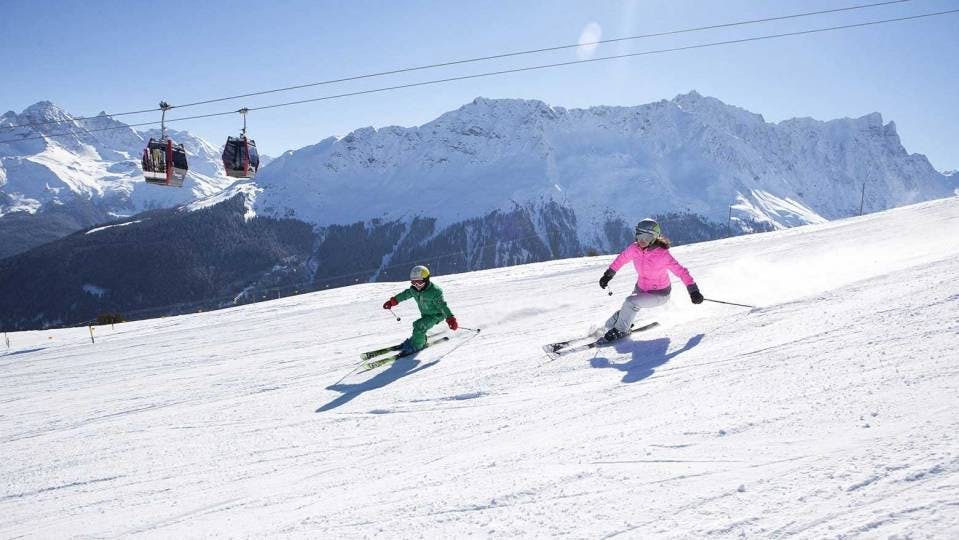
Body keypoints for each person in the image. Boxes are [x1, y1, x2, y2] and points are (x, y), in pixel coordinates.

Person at [598, 218, 703, 341]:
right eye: (639, 235)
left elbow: (682, 272)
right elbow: (621, 259)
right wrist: (608, 275)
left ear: (654, 237)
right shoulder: (634, 249)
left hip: (659, 294)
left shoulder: (663, 255)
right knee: (624, 311)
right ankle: (610, 326)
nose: (642, 240)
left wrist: (694, 291)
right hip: (641, 288)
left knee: (630, 303)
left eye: (647, 237)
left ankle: (621, 330)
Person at [382, 265, 458, 355]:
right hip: (425, 314)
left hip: (436, 315)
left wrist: (450, 319)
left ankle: (417, 345)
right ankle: (416, 339)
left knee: (419, 326)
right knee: (418, 325)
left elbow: (443, 306)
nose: (417, 286)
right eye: (414, 283)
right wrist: (392, 302)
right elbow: (405, 295)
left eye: (419, 283)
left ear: (426, 280)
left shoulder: (435, 291)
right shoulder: (414, 290)